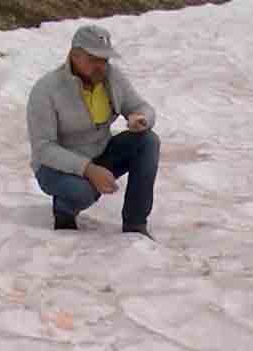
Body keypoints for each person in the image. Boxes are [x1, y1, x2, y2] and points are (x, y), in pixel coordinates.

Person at [26, 24, 160, 239]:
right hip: (55, 167)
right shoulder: (46, 90)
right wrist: (88, 170)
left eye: (105, 60)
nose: (101, 66)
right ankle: (64, 209)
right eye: (94, 59)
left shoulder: (112, 78)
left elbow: (141, 107)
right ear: (75, 55)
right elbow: (43, 148)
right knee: (83, 192)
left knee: (148, 141)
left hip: (100, 153)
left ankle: (135, 225)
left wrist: (141, 118)